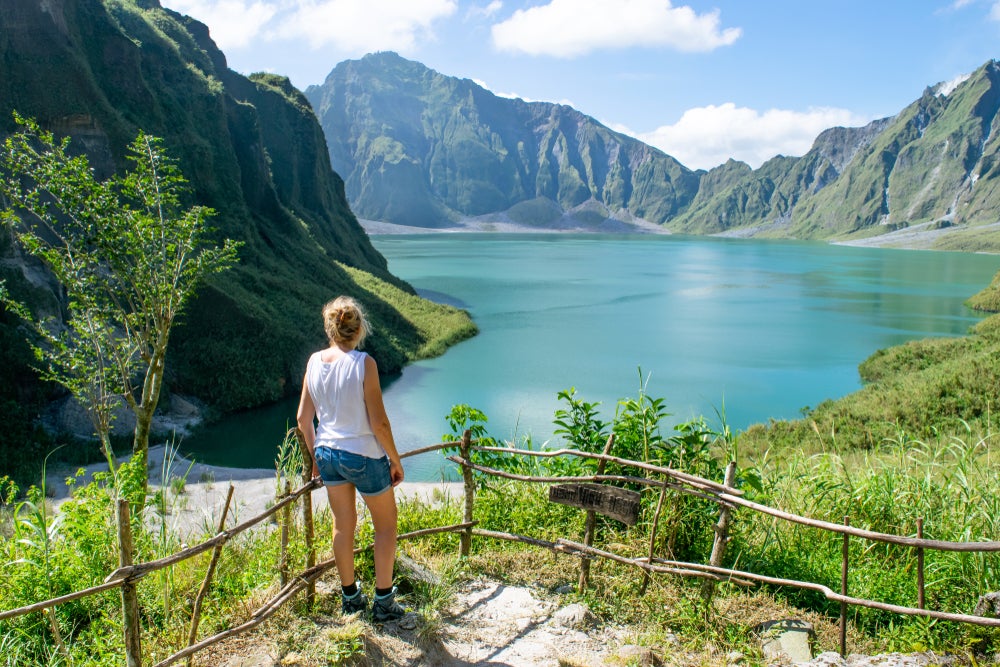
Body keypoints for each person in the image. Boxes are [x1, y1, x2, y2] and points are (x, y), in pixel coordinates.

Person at [296, 296, 406, 621]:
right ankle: (384, 604)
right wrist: (395, 460)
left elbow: (303, 419)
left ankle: (351, 600)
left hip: (328, 453)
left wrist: (317, 455)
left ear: (330, 328)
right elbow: (379, 423)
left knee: (343, 527)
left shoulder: (314, 362)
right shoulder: (363, 364)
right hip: (364, 455)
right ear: (358, 330)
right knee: (386, 527)